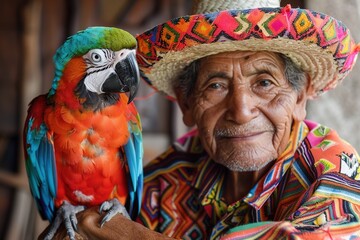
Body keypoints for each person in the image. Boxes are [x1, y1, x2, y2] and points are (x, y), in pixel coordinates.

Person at [41, 0, 360, 239]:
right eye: (216, 85)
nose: (241, 110)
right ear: (186, 105)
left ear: (300, 97)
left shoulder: (333, 167)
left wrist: (119, 230)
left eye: (264, 83)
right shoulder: (167, 181)